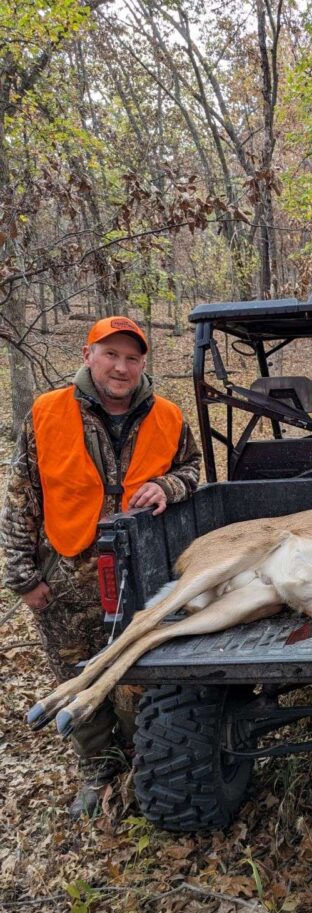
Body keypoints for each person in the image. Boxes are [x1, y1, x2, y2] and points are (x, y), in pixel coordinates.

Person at [1, 316, 201, 818]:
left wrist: (169, 486)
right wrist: (24, 577)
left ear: (142, 364)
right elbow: (21, 496)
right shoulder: (46, 412)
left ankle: (144, 766)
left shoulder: (170, 416)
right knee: (76, 673)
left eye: (132, 358)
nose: (122, 367)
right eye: (111, 354)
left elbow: (194, 470)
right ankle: (98, 773)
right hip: (67, 572)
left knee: (139, 673)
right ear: (88, 354)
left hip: (143, 569)